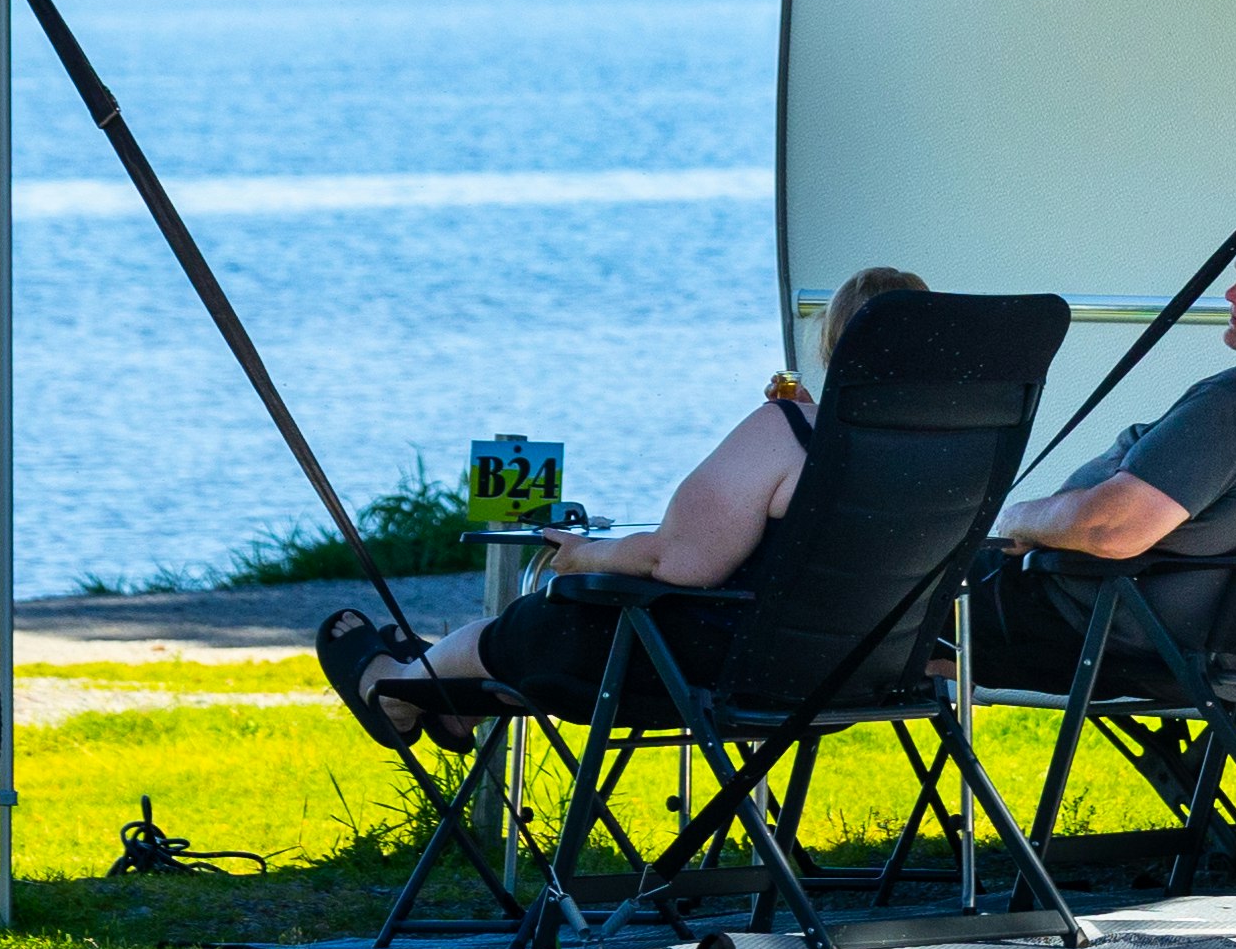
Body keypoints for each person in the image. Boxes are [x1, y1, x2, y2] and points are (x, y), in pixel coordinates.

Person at [317, 265, 929, 746]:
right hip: (864, 677)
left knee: (543, 623)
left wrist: (587, 555)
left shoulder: (794, 429)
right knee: (565, 639)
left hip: (728, 673)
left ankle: (393, 690)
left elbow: (682, 563)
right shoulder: (944, 456)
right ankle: (448, 704)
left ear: (832, 346)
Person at [967, 210, 1236, 687]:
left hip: (1100, 624)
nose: (1232, 295)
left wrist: (1013, 520)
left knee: (890, 603)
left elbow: (1112, 531)